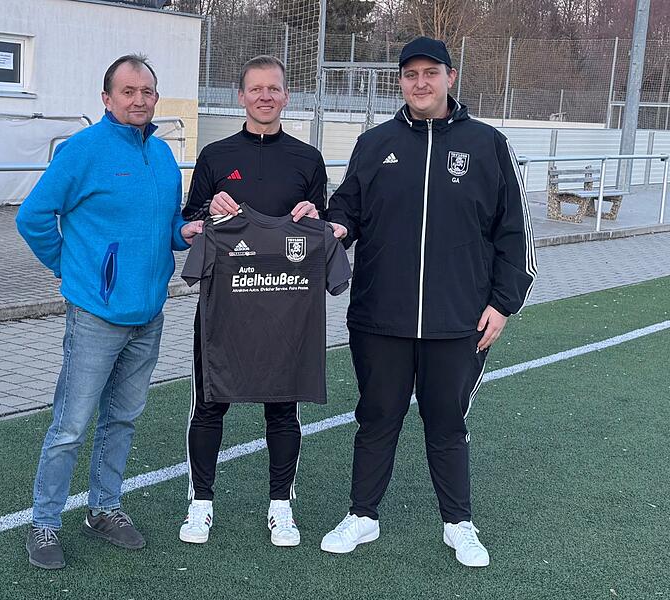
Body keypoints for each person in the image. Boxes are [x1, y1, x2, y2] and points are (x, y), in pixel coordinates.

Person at [321, 37, 537, 566]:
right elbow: (346, 211)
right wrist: (322, 229)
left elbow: (515, 235)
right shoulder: (375, 144)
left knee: (447, 423)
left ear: (450, 77)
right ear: (400, 81)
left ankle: (459, 524)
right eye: (410, 74)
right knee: (377, 417)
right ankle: (362, 516)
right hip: (380, 317)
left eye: (430, 73)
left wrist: (503, 304)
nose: (420, 83)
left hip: (459, 320)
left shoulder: (488, 145)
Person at [16, 54, 203, 570]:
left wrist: (182, 233)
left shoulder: (163, 155)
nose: (139, 100)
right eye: (128, 91)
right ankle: (45, 521)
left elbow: (166, 223)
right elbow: (32, 217)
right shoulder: (83, 151)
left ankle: (104, 508)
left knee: (123, 418)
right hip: (96, 315)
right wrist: (72, 270)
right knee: (72, 425)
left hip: (149, 314)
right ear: (107, 98)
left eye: (147, 92)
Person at [179, 55, 327, 547]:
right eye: (255, 89)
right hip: (226, 305)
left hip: (287, 306)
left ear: (287, 97)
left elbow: (326, 226)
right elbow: (189, 221)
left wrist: (314, 214)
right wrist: (206, 212)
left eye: (274, 89)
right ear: (240, 96)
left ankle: (281, 506)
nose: (265, 96)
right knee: (210, 405)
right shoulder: (216, 156)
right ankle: (201, 503)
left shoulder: (307, 159)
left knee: (282, 409)